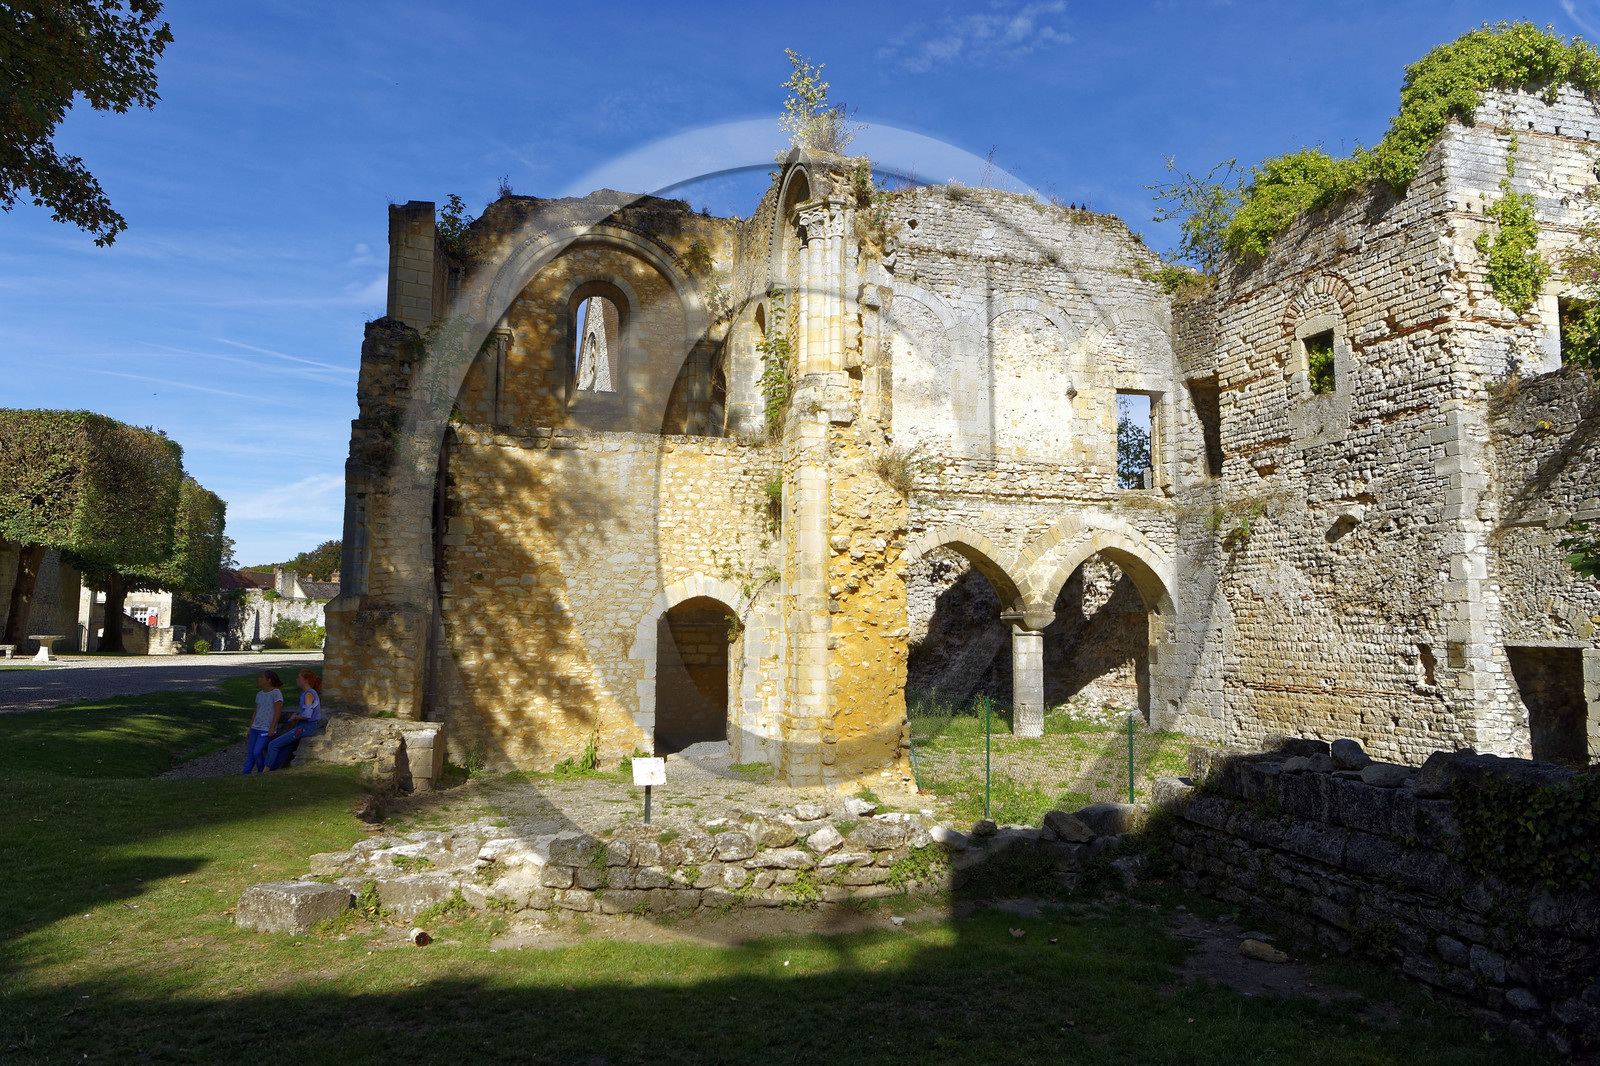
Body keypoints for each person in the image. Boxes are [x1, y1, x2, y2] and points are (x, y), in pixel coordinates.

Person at [265, 669, 323, 771]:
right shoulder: (310, 693)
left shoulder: (308, 695)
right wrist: (298, 715)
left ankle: (265, 771)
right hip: (305, 726)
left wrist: (295, 717)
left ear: (305, 680)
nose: (297, 679)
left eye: (299, 677)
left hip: (306, 728)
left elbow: (307, 715)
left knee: (273, 744)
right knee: (285, 747)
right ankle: (273, 771)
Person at [243, 671, 284, 774]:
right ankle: (245, 774)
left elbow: (278, 711)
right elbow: (256, 712)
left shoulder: (276, 693)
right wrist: (250, 728)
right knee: (250, 754)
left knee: (257, 752)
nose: (259, 679)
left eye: (262, 677)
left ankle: (261, 772)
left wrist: (272, 727)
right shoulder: (259, 694)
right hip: (255, 728)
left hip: (265, 729)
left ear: (268, 680)